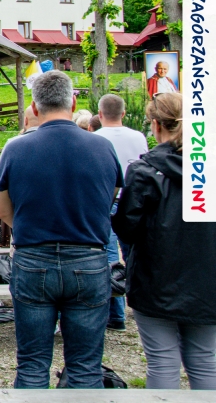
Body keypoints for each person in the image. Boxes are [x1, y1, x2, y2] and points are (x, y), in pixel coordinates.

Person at [0, 71, 122, 389]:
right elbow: (110, 198)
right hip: (89, 257)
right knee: (85, 366)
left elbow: (3, 210)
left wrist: (30, 226)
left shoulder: (15, 148)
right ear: (73, 103)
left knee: (32, 364)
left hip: (33, 257)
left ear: (34, 108)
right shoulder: (102, 147)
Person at [113, 93, 216, 390]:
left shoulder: (144, 171)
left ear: (156, 125)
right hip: (207, 279)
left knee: (162, 360)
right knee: (205, 359)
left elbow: (127, 228)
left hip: (155, 278)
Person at [96, 93, 148, 332]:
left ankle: (115, 314)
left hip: (107, 199)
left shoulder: (96, 138)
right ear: (124, 114)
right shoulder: (138, 137)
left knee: (109, 256)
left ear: (100, 114)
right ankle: (140, 306)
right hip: (135, 199)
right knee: (135, 254)